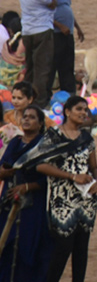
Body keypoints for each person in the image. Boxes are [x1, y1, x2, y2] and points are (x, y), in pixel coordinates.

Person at [31, 95, 97, 282]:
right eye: (79, 109)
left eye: (85, 110)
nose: (83, 113)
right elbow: (40, 165)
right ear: (67, 112)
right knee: (62, 249)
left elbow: (93, 166)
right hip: (62, 201)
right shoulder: (53, 135)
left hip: (86, 201)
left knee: (81, 250)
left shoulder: (86, 138)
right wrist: (72, 177)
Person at [0, 105, 50, 282]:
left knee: (28, 247)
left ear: (40, 123)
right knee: (7, 243)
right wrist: (5, 172)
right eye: (25, 117)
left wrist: (27, 187)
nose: (27, 119)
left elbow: (48, 178)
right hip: (9, 200)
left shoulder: (44, 145)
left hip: (33, 205)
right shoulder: (15, 142)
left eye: (32, 117)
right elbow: (4, 165)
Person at [17, 0, 55, 107]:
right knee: (42, 70)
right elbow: (51, 3)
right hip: (42, 31)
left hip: (27, 31)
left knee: (30, 68)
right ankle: (38, 103)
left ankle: (23, 98)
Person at [48, 0, 84, 98]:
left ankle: (68, 94)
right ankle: (47, 94)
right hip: (56, 34)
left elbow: (68, 10)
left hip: (68, 33)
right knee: (53, 65)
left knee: (68, 64)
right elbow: (45, 15)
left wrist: (77, 27)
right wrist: (60, 25)